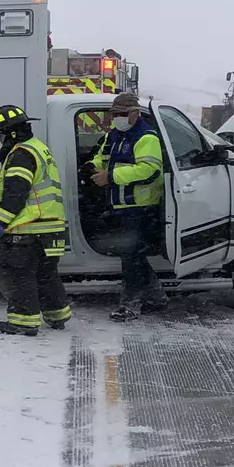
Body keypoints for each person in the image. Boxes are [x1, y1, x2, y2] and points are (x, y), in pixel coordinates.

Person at [0, 104, 72, 337]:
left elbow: (16, 192)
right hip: (50, 227)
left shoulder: (21, 155)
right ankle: (57, 315)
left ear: (11, 133)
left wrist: (1, 220)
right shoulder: (37, 148)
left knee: (16, 273)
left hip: (29, 228)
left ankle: (23, 321)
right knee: (45, 274)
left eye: (0, 134)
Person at [88, 92, 168, 321]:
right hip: (120, 205)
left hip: (141, 208)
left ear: (135, 114)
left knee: (131, 257)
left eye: (121, 114)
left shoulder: (146, 138)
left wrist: (110, 176)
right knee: (132, 255)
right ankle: (156, 296)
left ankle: (130, 304)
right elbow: (102, 157)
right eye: (114, 114)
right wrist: (91, 167)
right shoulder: (114, 135)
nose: (117, 118)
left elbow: (149, 171)